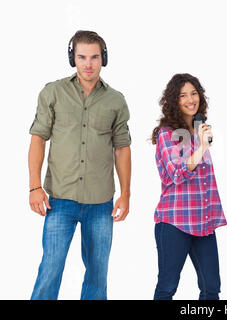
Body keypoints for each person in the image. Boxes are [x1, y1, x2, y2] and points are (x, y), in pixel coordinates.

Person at [28, 30, 132, 300]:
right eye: (82, 57)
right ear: (72, 58)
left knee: (98, 274)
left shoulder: (115, 100)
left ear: (104, 58)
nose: (88, 64)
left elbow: (122, 148)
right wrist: (34, 187)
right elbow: (38, 139)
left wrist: (126, 194)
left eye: (95, 57)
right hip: (59, 200)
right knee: (50, 268)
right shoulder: (53, 92)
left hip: (100, 203)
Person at [151, 73, 227, 300]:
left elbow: (205, 181)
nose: (190, 99)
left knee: (211, 288)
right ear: (174, 101)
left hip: (203, 222)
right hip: (175, 223)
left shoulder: (198, 131)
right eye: (183, 95)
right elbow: (176, 173)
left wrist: (201, 143)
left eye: (193, 93)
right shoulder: (167, 134)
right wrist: (202, 147)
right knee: (167, 287)